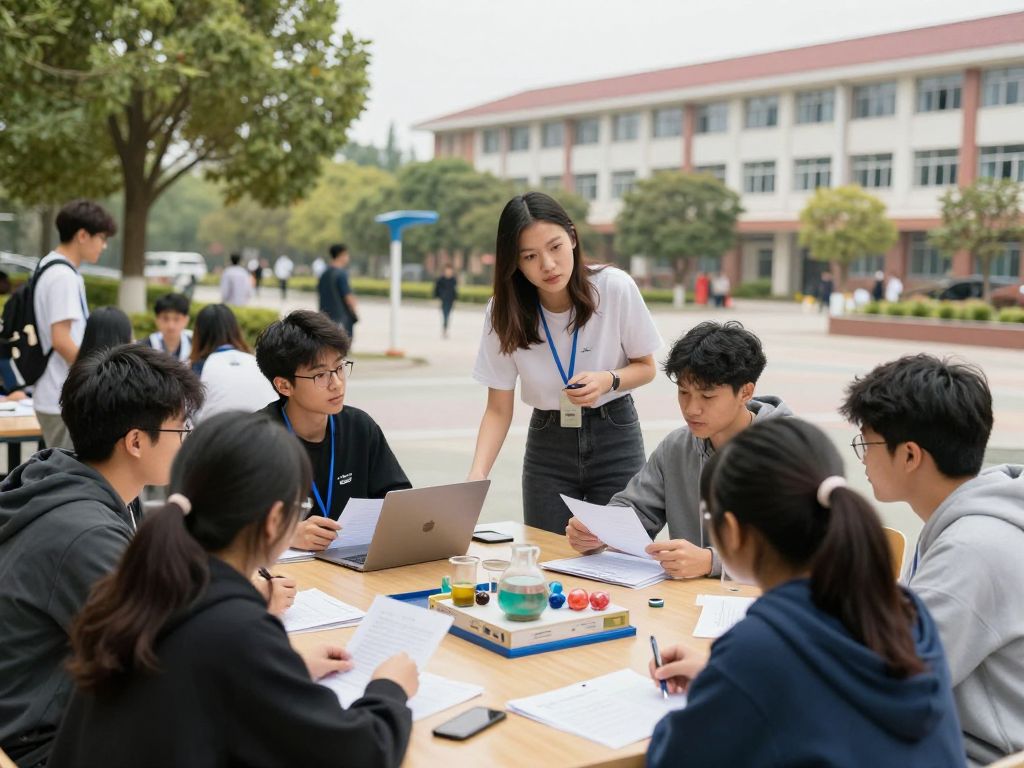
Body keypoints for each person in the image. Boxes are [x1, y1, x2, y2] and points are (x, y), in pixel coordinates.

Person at [48, 412, 418, 768]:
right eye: (298, 507)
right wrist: (389, 689)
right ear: (274, 521)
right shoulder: (234, 629)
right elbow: (359, 753)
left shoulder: (150, 584)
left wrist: (287, 672)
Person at [647, 419, 966, 767]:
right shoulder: (907, 611)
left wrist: (726, 680)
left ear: (733, 531)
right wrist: (721, 678)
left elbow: (675, 758)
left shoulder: (757, 650)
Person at [0, 345, 204, 766]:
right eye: (180, 428)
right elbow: (164, 660)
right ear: (135, 441)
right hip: (44, 745)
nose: (187, 439)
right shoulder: (85, 533)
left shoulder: (68, 478)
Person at [840, 354, 1023, 766]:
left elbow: (888, 681)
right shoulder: (966, 520)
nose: (863, 459)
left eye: (867, 443)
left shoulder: (972, 549)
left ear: (909, 456)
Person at [469, 192, 662, 534]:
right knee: (549, 557)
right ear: (514, 262)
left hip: (614, 432)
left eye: (555, 246)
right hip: (548, 444)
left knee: (620, 553)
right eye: (530, 256)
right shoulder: (503, 312)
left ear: (572, 237)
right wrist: (477, 475)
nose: (548, 265)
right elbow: (498, 408)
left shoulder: (614, 288)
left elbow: (646, 367)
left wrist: (609, 380)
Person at [566, 321, 792, 578]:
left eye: (707, 397)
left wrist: (711, 562)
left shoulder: (789, 452)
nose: (691, 409)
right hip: (687, 598)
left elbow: (797, 548)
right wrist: (598, 531)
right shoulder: (676, 447)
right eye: (684, 392)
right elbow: (635, 510)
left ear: (746, 392)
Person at [255, 310, 410, 551]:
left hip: (353, 562)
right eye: (320, 375)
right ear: (284, 385)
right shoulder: (255, 439)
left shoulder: (360, 427)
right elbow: (226, 523)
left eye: (339, 368)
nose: (336, 383)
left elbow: (399, 500)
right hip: (288, 574)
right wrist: (286, 534)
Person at [33, 199, 117, 450]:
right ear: (82, 235)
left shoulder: (48, 265)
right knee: (71, 478)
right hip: (62, 395)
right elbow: (61, 339)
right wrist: (95, 378)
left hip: (54, 393)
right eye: (101, 237)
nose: (103, 245)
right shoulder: (63, 276)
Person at [190, 304, 276, 422]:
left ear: (198, 333)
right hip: (271, 432)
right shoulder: (255, 360)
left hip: (222, 435)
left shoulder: (199, 367)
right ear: (235, 329)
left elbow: (191, 413)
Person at [318, 243, 358, 341]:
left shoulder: (324, 273)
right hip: (342, 317)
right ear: (341, 255)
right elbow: (347, 296)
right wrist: (354, 308)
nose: (348, 258)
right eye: (346, 255)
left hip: (324, 316)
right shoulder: (341, 274)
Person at [143, 293, 192, 363]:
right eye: (165, 319)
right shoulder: (145, 347)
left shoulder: (194, 345)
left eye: (176, 319)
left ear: (186, 320)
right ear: (156, 320)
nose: (171, 326)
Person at [434, 264, 458, 338]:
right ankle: (444, 329)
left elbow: (455, 291)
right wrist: (438, 298)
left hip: (450, 300)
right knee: (445, 315)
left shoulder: (453, 280)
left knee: (448, 314)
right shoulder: (441, 280)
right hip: (443, 300)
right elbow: (436, 290)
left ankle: (445, 328)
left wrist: (455, 300)